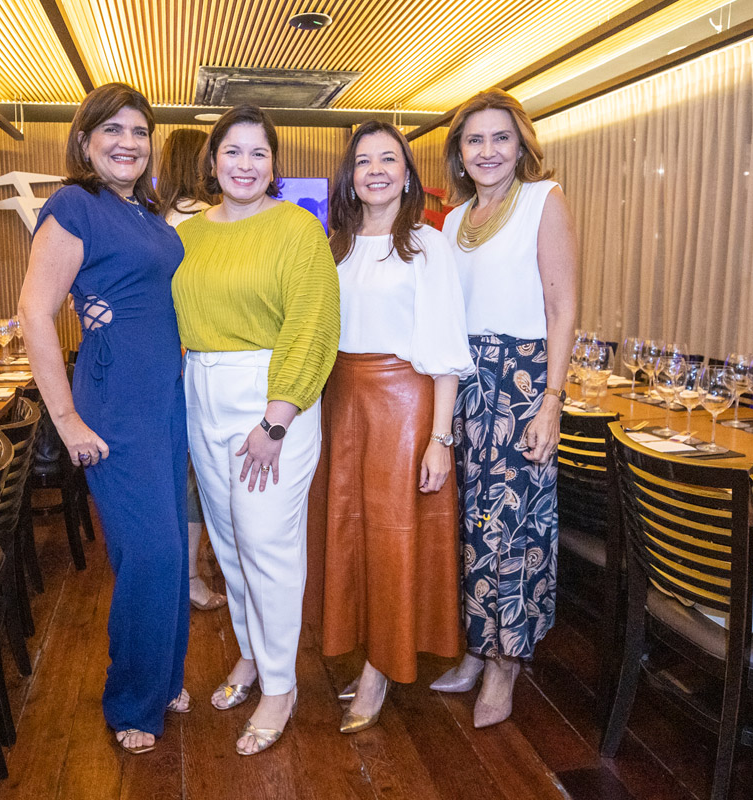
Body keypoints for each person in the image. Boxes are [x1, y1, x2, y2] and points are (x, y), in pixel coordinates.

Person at [17, 82, 190, 755]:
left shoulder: (144, 212)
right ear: (84, 141)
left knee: (169, 551)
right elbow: (35, 312)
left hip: (164, 397)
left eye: (140, 131)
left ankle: (163, 677)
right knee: (151, 553)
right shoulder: (74, 205)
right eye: (112, 130)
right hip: (115, 399)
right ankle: (131, 699)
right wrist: (65, 419)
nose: (128, 142)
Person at [172, 104, 339, 755]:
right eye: (233, 151)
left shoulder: (298, 228)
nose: (245, 164)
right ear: (213, 161)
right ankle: (250, 652)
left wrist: (278, 417)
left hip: (271, 400)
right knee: (229, 542)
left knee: (266, 542)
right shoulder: (188, 234)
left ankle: (280, 685)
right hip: (202, 392)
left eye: (258, 153)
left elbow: (313, 324)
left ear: (274, 164)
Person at [315, 121, 473, 733]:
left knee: (392, 539)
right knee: (348, 533)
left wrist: (439, 438)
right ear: (349, 177)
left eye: (389, 159)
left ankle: (382, 667)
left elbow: (446, 350)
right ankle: (366, 650)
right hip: (340, 401)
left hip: (403, 406)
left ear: (407, 174)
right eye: (363, 161)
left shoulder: (426, 245)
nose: (376, 170)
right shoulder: (334, 245)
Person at [430, 89, 579, 728]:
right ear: (459, 153)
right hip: (465, 385)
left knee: (513, 530)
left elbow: (562, 308)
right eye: (475, 140)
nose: (487, 151)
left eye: (500, 138)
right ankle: (474, 645)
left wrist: (552, 401)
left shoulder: (544, 200)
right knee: (468, 524)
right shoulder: (454, 220)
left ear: (521, 146)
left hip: (521, 383)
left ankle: (506, 662)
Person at [157, 127, 225, 612]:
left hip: (160, 359)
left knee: (175, 472)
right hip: (198, 358)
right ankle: (193, 576)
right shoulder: (206, 220)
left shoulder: (153, 221)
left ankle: (178, 573)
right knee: (197, 476)